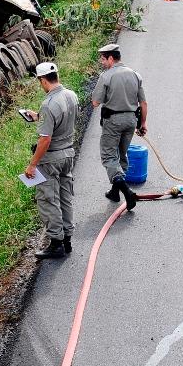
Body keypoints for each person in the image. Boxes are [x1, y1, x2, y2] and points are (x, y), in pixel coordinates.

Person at [23, 61, 79, 258]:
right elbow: (63, 119)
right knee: (65, 197)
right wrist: (39, 116)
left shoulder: (48, 104)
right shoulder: (71, 95)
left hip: (51, 159)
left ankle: (56, 243)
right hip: (68, 154)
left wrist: (32, 165)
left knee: (48, 199)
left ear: (42, 80)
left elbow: (45, 139)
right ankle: (67, 239)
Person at [91, 43, 147, 211]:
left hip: (113, 121)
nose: (101, 62)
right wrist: (142, 123)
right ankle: (115, 192)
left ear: (111, 58)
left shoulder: (106, 76)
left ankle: (127, 192)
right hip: (131, 120)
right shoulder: (135, 75)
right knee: (121, 155)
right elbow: (143, 103)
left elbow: (95, 102)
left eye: (102, 59)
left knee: (109, 156)